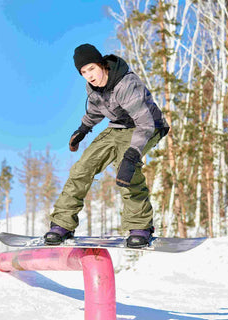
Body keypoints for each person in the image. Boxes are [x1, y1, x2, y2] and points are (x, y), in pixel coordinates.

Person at [44, 43, 169, 248]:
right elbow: (95, 110)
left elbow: (144, 123)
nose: (89, 75)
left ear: (102, 64)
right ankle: (62, 224)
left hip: (148, 126)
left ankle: (140, 226)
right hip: (118, 128)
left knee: (127, 169)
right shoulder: (93, 87)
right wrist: (83, 129)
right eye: (83, 72)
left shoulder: (126, 84)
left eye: (91, 68)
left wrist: (132, 155)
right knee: (82, 169)